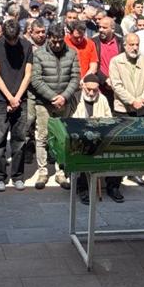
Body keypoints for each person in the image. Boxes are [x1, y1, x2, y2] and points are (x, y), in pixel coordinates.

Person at [30, 24, 80, 189]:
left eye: (60, 42)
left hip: (64, 101)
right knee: (42, 136)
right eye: (54, 42)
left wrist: (64, 97)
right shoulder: (39, 54)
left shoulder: (71, 53)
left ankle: (61, 172)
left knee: (62, 137)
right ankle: (43, 172)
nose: (57, 45)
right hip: (44, 102)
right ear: (48, 39)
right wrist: (52, 97)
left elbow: (75, 78)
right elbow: (36, 79)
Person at [0, 19, 32, 190]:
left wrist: (17, 98)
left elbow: (28, 74)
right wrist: (9, 98)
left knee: (19, 140)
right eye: (9, 40)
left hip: (21, 99)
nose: (13, 42)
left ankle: (17, 175)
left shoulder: (26, 46)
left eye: (15, 39)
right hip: (1, 99)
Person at [70, 73, 123, 204]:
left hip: (100, 136)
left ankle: (113, 187)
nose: (92, 92)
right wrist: (86, 123)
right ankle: (83, 189)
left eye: (95, 89)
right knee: (82, 152)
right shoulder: (75, 98)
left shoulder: (103, 99)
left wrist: (99, 122)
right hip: (81, 137)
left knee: (116, 152)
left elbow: (109, 119)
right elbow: (69, 120)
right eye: (89, 89)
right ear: (83, 87)